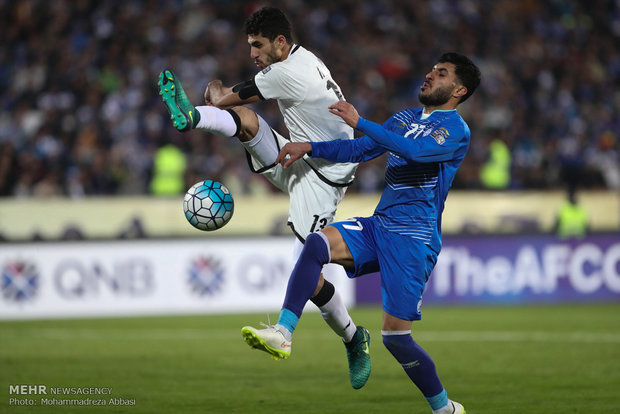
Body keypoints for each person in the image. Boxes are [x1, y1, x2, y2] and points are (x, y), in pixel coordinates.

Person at [242, 53, 481, 414]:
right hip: (379, 224)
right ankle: (284, 332)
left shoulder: (455, 131)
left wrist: (361, 121)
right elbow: (358, 148)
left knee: (396, 340)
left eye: (441, 73)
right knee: (316, 245)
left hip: (413, 240)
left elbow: (414, 152)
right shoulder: (404, 118)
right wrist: (310, 147)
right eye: (431, 69)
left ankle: (445, 409)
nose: (429, 75)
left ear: (459, 90)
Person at [158, 7, 371, 389]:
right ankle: (191, 120)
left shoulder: (290, 73)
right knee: (247, 122)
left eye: (258, 46)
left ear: (280, 43)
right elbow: (231, 99)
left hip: (322, 177)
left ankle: (343, 337)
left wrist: (211, 94)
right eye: (250, 46)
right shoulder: (298, 59)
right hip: (298, 152)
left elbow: (224, 95)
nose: (253, 53)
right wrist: (208, 102)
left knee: (309, 269)